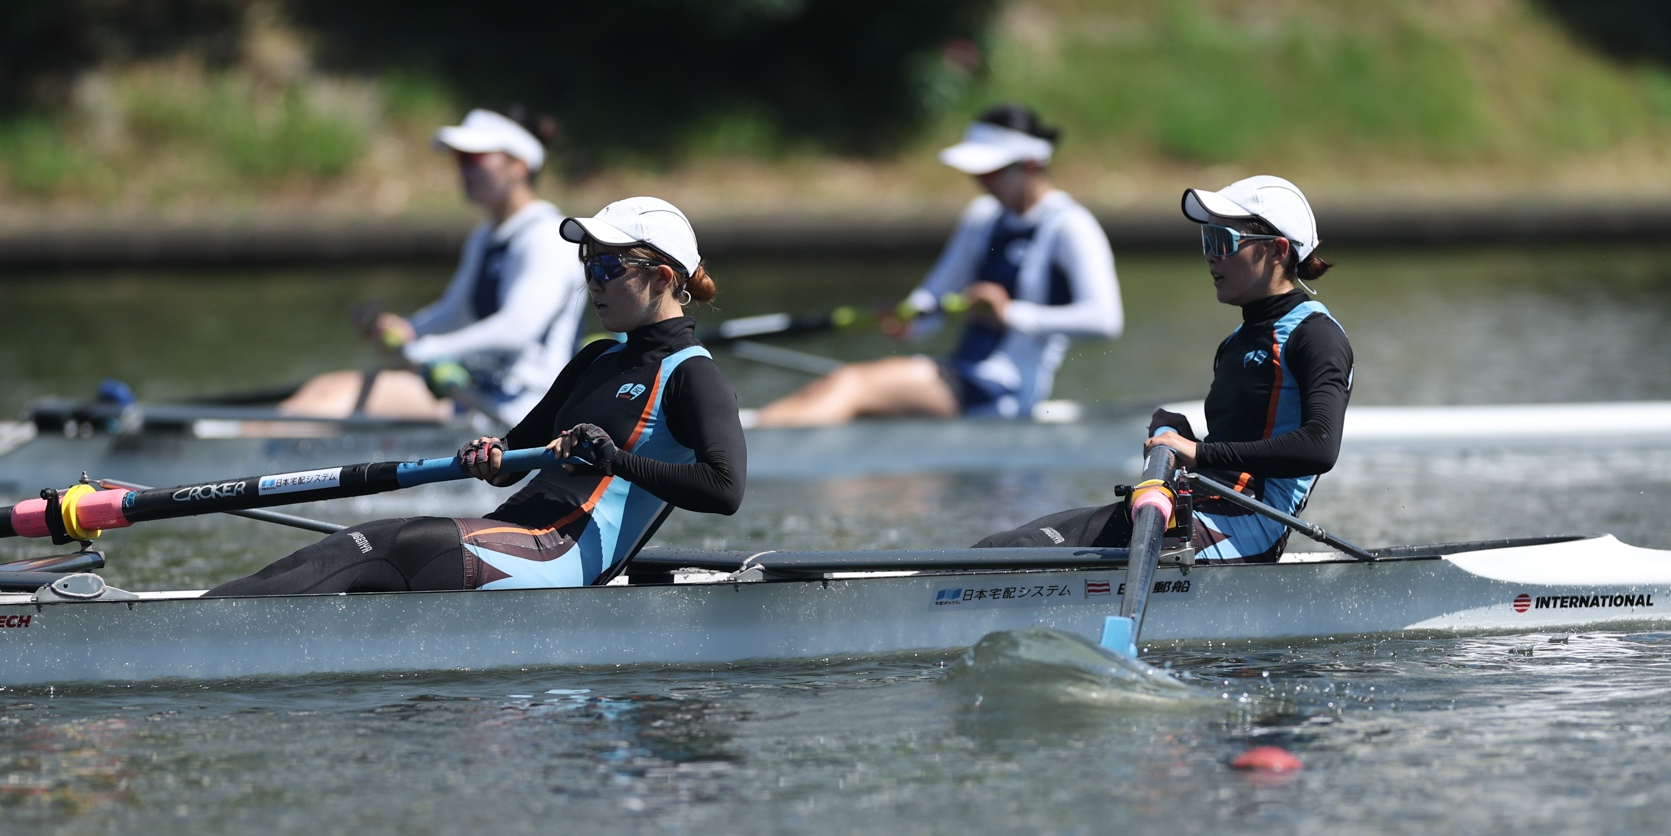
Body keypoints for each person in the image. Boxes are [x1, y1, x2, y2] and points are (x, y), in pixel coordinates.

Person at [209, 198, 741, 596]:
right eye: (588, 264)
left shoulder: (693, 375)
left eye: (608, 268)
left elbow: (724, 489)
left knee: (392, 546)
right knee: (361, 539)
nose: (592, 282)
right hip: (515, 532)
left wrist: (613, 459)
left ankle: (209, 630)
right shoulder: (597, 358)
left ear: (662, 278)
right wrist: (491, 454)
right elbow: (514, 456)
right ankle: (213, 611)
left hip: (561, 557)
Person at [974, 175, 1351, 562]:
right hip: (1191, 510)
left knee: (1027, 557)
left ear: (1277, 251)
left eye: (1222, 241)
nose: (1211, 256)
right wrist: (1181, 437)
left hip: (1248, 527)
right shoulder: (1234, 343)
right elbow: (1232, 451)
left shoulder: (1316, 336)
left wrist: (1198, 452)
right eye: (1206, 241)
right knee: (1005, 547)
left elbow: (1319, 447)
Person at [750, 104, 1121, 427]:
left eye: (991, 173)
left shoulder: (1071, 226)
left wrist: (1009, 314)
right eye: (977, 173)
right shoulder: (982, 218)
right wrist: (907, 318)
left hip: (1005, 389)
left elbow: (1105, 320)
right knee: (834, 384)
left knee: (853, 384)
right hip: (961, 374)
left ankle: (745, 453)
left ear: (1031, 164)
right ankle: (747, 442)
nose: (981, 182)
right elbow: (934, 298)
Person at [280, 108, 588, 424]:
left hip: (526, 409)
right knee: (322, 390)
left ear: (519, 166)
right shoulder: (484, 237)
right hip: (479, 390)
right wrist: (410, 330)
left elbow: (516, 329)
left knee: (330, 400)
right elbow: (456, 312)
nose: (463, 169)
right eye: (459, 159)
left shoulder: (548, 237)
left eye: (474, 158)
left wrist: (431, 349)